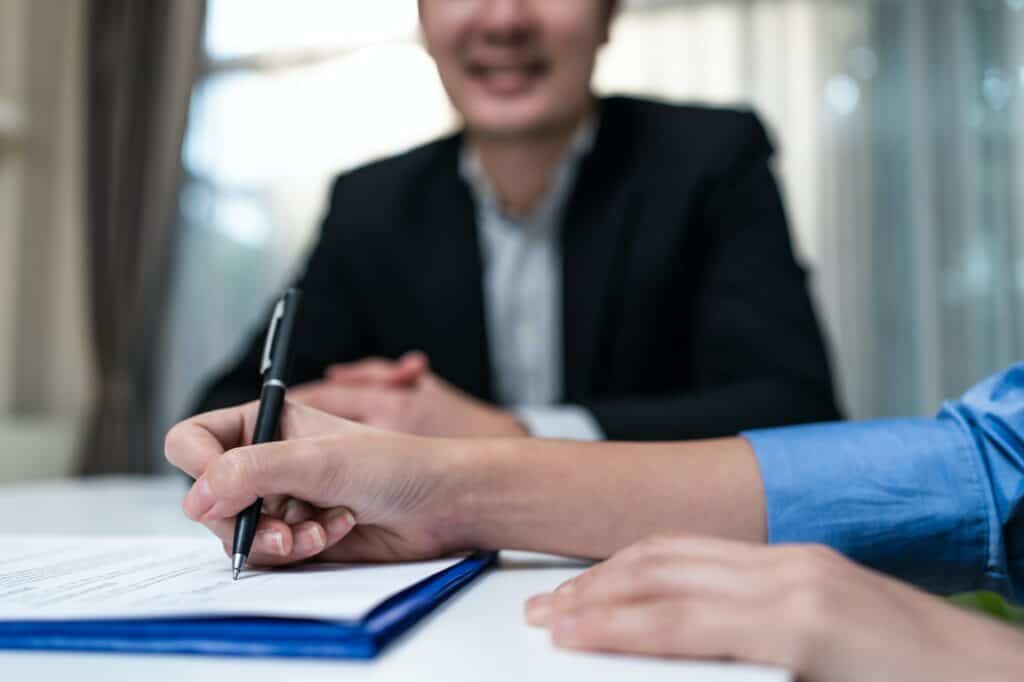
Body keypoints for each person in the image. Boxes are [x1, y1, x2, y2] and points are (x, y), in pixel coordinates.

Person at [193, 0, 840, 441]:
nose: (503, 18)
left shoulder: (709, 160)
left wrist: (507, 436)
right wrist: (346, 415)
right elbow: (224, 406)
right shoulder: (374, 203)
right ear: (422, 18)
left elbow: (795, 414)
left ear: (610, 12)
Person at [167, 363, 1024, 679]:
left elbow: (788, 394)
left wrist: (983, 659)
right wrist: (449, 490)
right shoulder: (375, 194)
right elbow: (985, 469)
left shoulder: (707, 152)